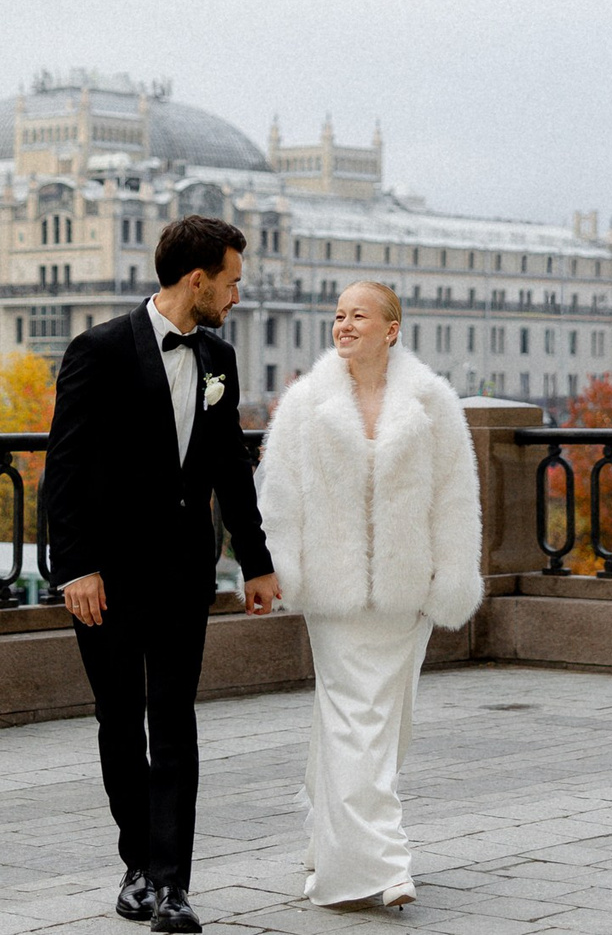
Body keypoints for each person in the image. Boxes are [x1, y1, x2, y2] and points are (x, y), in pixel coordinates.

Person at [45, 215, 281, 934]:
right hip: (107, 578)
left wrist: (257, 560)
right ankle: (139, 861)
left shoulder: (218, 357)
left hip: (184, 574)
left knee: (174, 721)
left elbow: (229, 463)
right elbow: (67, 468)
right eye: (233, 280)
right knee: (119, 721)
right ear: (197, 278)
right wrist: (76, 565)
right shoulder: (99, 349)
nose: (239, 294)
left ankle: (173, 884)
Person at [255, 280, 482, 910]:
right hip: (333, 591)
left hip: (408, 590)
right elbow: (281, 496)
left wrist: (452, 576)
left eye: (359, 315)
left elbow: (456, 498)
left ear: (391, 329)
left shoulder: (433, 402)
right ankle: (379, 865)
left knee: (384, 726)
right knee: (356, 719)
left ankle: (330, 849)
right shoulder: (305, 403)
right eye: (337, 316)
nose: (344, 325)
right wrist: (281, 570)